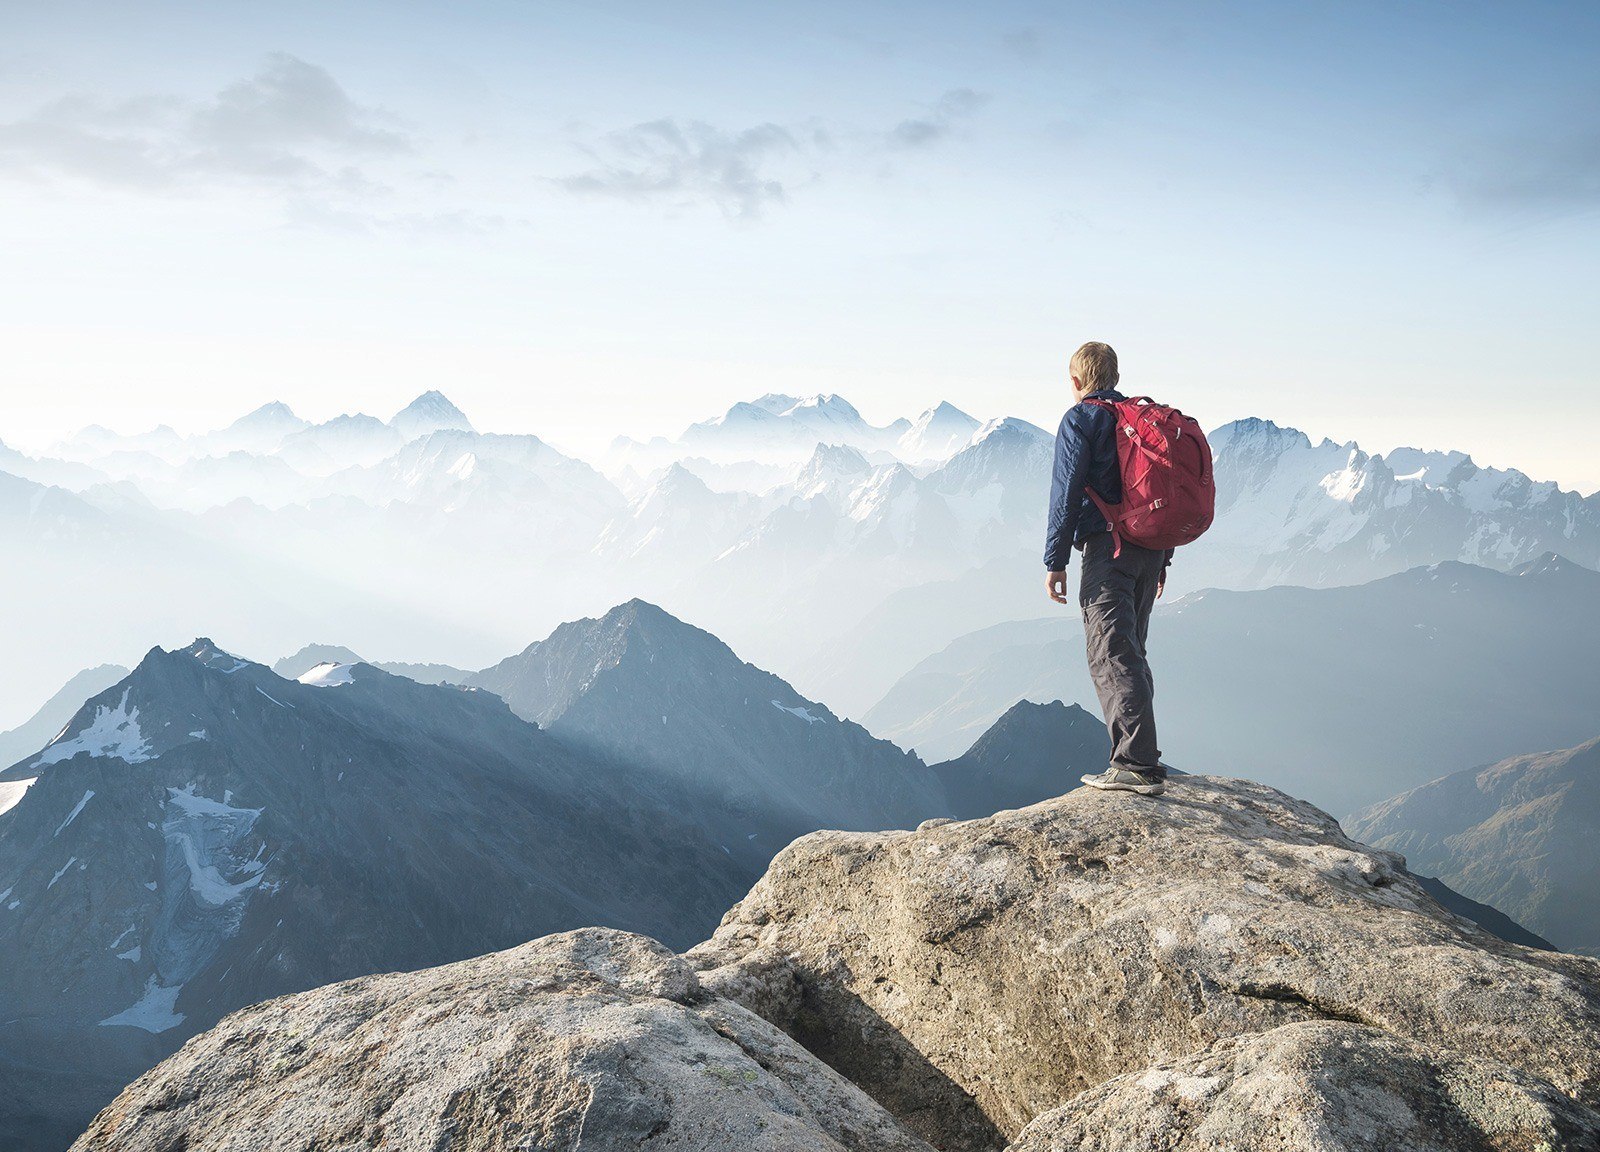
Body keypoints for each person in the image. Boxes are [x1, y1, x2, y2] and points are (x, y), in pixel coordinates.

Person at [1043, 341, 1171, 797]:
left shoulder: (1081, 419)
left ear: (1077, 381)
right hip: (1149, 549)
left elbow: (1066, 492)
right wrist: (1163, 558)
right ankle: (1141, 759)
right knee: (1131, 649)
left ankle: (1135, 765)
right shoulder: (1140, 420)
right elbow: (1160, 492)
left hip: (1108, 550)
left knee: (1111, 652)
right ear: (1114, 376)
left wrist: (1055, 560)